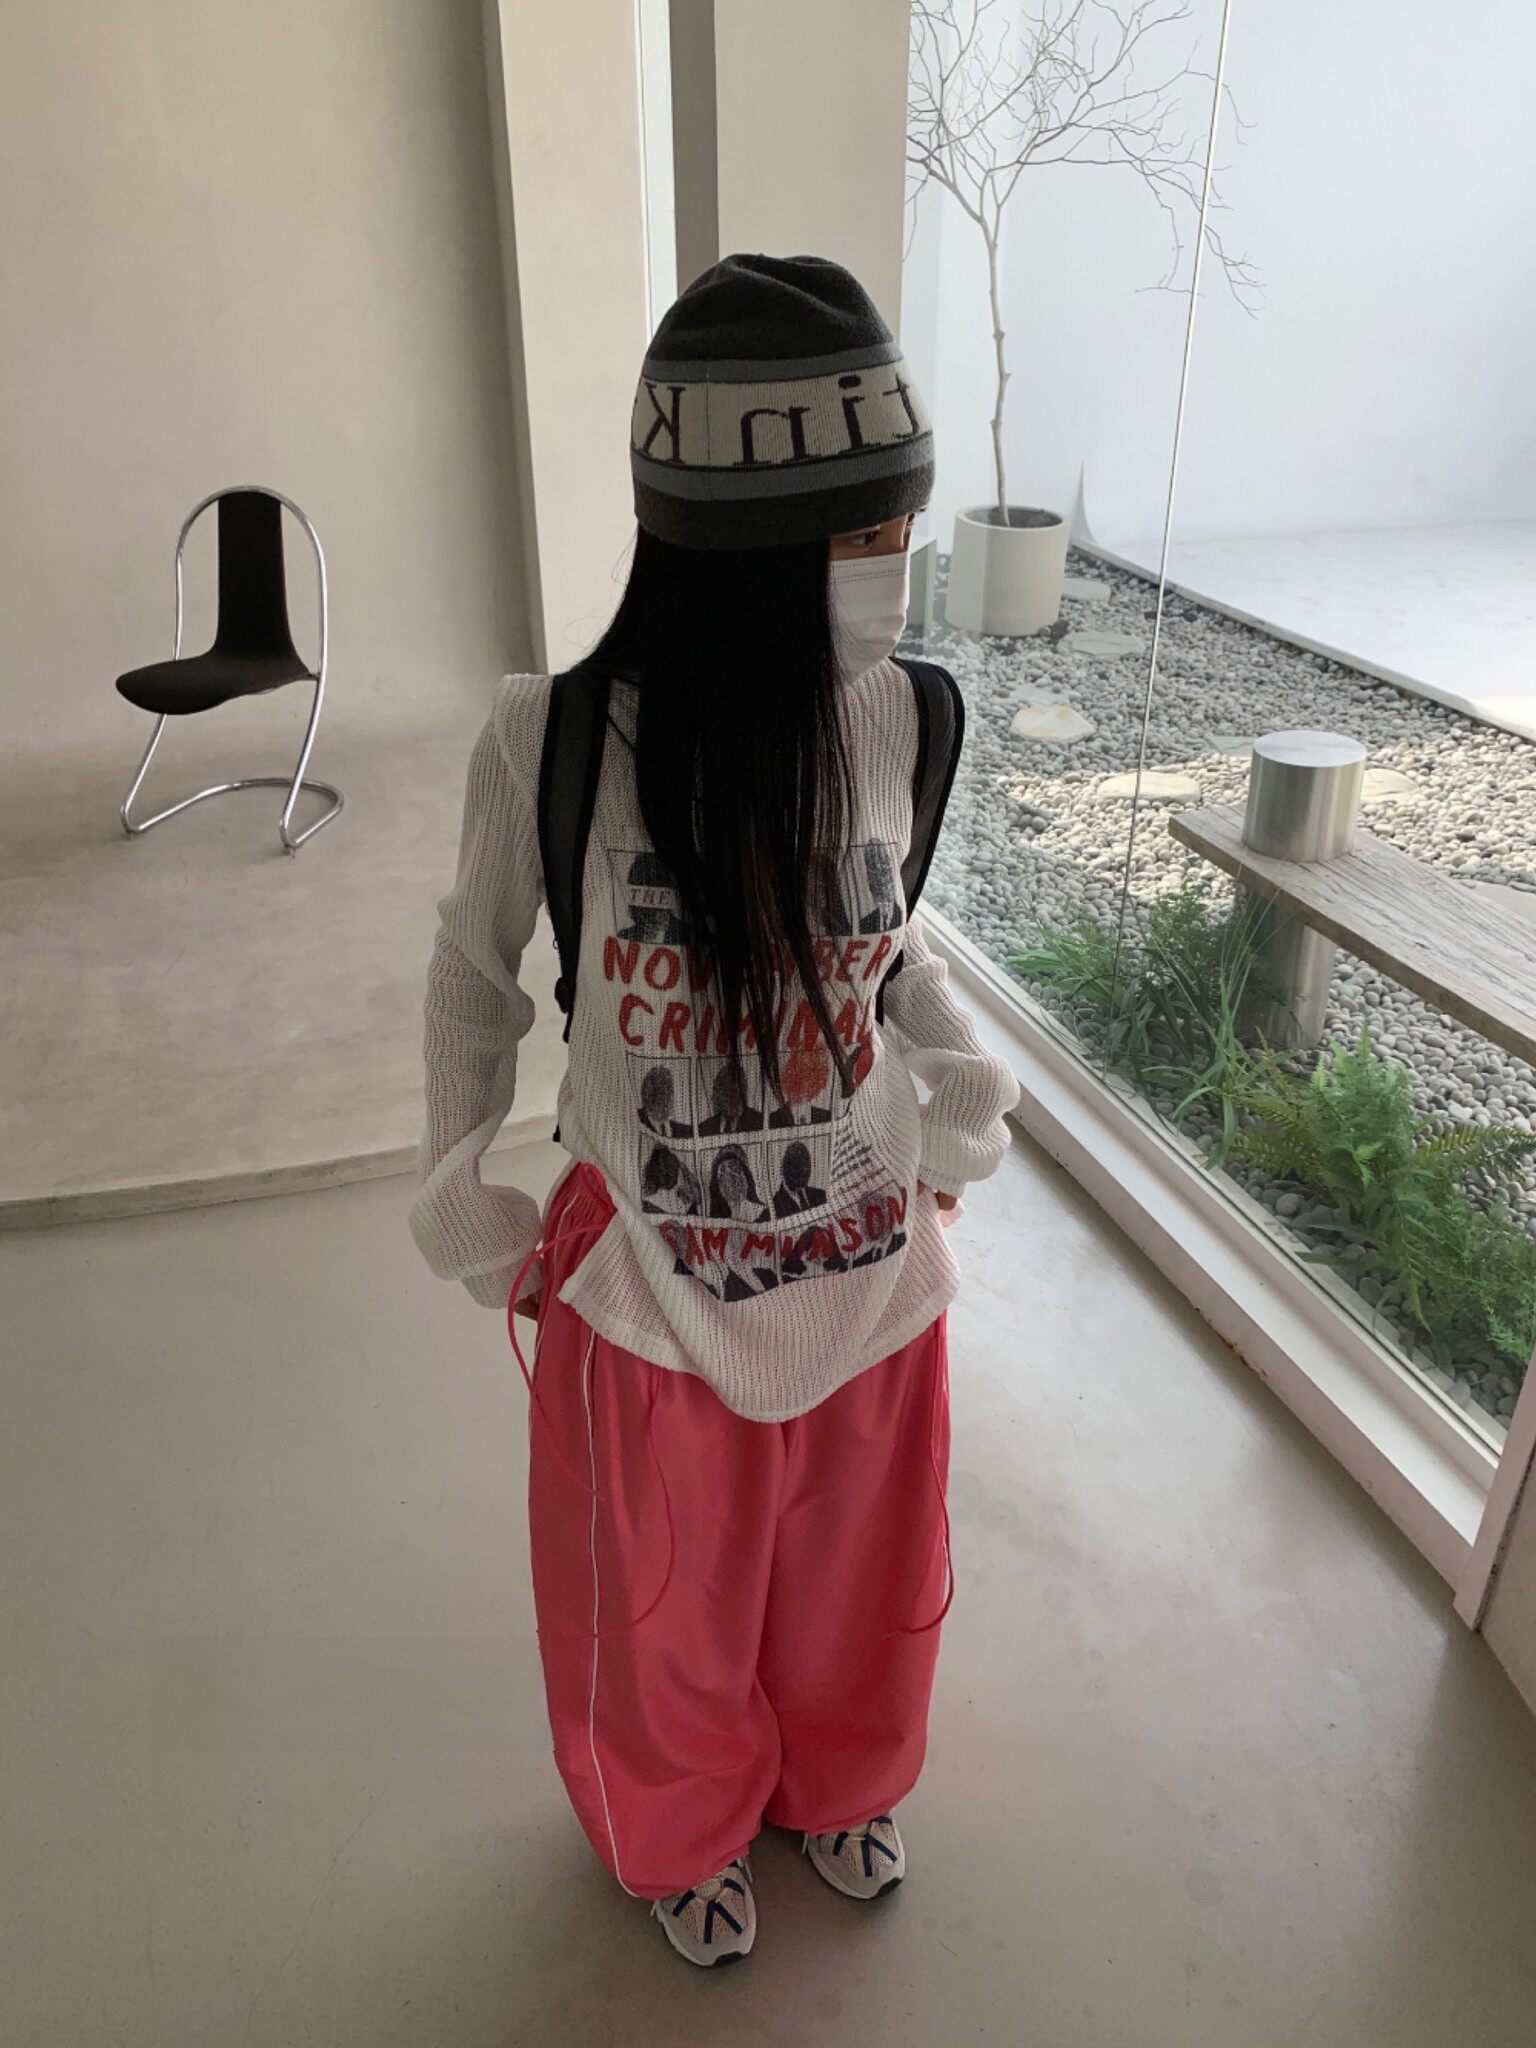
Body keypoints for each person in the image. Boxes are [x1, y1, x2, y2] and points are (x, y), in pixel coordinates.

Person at [411, 254, 1020, 1967]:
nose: (897, 564)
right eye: (863, 534)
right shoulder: (554, 743)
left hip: (872, 1268)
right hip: (650, 1287)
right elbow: (469, 972)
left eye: (900, 524)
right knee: (660, 1609)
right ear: (739, 555)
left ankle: (843, 1779)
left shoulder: (909, 716)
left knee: (861, 1580)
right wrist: (461, 1194)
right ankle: (674, 1830)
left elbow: (881, 939)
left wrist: (962, 1063)